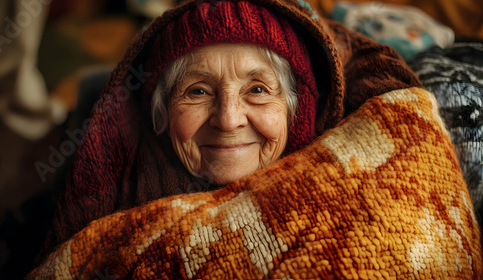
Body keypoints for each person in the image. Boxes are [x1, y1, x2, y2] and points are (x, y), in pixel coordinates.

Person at [30, 0, 482, 278]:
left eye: (258, 90)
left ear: (295, 109)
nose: (228, 120)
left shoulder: (352, 169)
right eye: (198, 91)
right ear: (162, 114)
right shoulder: (113, 186)